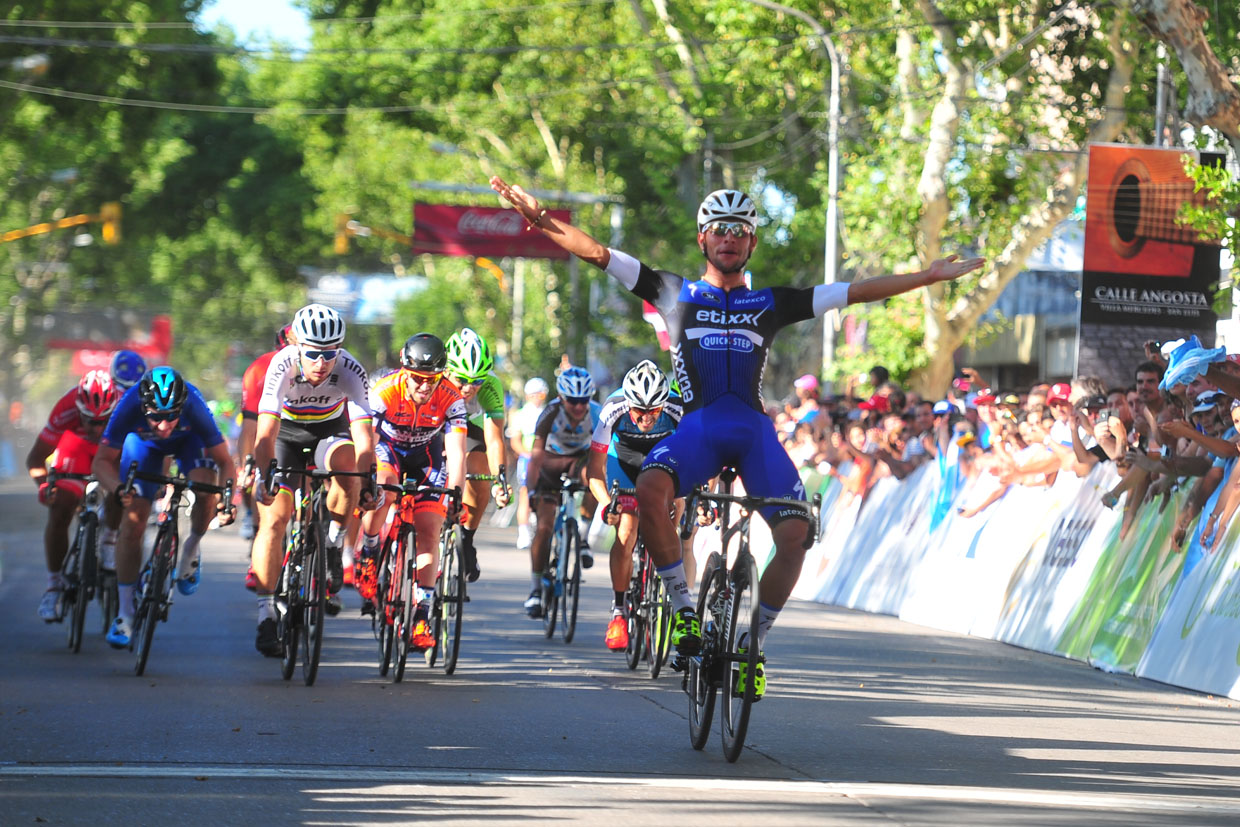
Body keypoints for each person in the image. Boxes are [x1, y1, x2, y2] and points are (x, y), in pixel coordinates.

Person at [491, 175, 983, 698]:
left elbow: (855, 292)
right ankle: (683, 615)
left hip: (753, 433)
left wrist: (928, 276)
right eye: (718, 230)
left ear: (751, 242)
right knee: (651, 491)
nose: (728, 238)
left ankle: (754, 647)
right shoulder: (671, 291)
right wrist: (542, 221)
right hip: (697, 428)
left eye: (740, 230)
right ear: (703, 239)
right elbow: (597, 253)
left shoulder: (773, 303)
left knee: (796, 536)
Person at [250, 304, 376, 656]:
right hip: (286, 436)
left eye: (329, 354)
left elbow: (365, 436)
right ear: (298, 347)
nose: (321, 363)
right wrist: (264, 476)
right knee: (274, 519)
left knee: (350, 468)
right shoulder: (282, 365)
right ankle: (265, 616)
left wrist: (368, 483)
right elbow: (266, 431)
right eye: (313, 354)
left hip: (328, 432)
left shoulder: (351, 369)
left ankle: (334, 543)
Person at [91, 367, 237, 647]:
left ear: (182, 406)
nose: (164, 424)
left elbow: (225, 462)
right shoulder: (129, 405)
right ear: (143, 406)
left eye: (172, 415)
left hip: (188, 443)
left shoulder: (194, 404)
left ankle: (191, 549)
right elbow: (101, 462)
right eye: (156, 416)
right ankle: (124, 614)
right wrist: (119, 489)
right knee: (132, 522)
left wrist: (227, 500)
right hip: (144, 447)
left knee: (207, 490)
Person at [355, 334, 466, 649]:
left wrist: (456, 493)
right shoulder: (383, 392)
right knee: (384, 493)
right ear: (404, 371)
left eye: (432, 379)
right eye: (417, 379)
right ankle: (370, 549)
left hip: (426, 456)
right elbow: (369, 442)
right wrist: (367, 483)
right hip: (388, 451)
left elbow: (457, 453)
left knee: (430, 529)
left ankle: (421, 614)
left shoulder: (451, 396)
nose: (424, 386)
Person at [587, 360, 683, 650]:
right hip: (624, 461)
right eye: (639, 411)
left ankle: (665, 591)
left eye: (653, 411)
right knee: (626, 530)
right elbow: (594, 470)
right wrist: (606, 504)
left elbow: (694, 461)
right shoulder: (612, 409)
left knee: (675, 509)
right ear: (628, 404)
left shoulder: (677, 410)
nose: (646, 418)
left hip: (662, 457)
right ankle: (618, 612)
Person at [26, 370, 121, 621]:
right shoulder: (65, 409)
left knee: (122, 489)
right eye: (90, 419)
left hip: (112, 451)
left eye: (104, 420)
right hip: (76, 447)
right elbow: (35, 459)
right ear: (78, 409)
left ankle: (110, 539)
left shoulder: (124, 408)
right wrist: (44, 486)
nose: (97, 427)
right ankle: (54, 585)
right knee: (60, 509)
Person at [521, 365, 601, 617]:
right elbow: (535, 457)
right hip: (550, 464)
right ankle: (535, 589)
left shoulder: (597, 414)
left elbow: (604, 455)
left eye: (583, 401)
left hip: (579, 460)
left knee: (595, 477)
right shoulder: (549, 413)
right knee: (544, 528)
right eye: (573, 402)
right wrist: (531, 492)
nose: (578, 408)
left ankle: (584, 537)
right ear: (562, 398)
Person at [443, 328, 510, 582]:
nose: (470, 388)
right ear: (447, 370)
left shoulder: (491, 385)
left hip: (468, 426)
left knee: (480, 473)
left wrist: (500, 481)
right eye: (461, 379)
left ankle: (467, 538)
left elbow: (494, 439)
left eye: (477, 381)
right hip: (434, 423)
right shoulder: (436, 378)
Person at [237, 325, 293, 579]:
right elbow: (250, 425)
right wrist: (246, 465)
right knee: (262, 477)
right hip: (271, 430)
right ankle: (257, 543)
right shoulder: (261, 368)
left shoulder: (322, 366)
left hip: (308, 430)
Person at [509, 377, 548, 550]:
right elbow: (515, 441)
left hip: (546, 459)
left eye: (539, 394)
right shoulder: (521, 414)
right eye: (532, 394)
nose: (536, 397)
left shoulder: (548, 412)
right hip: (527, 459)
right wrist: (527, 454)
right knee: (525, 493)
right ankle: (523, 532)